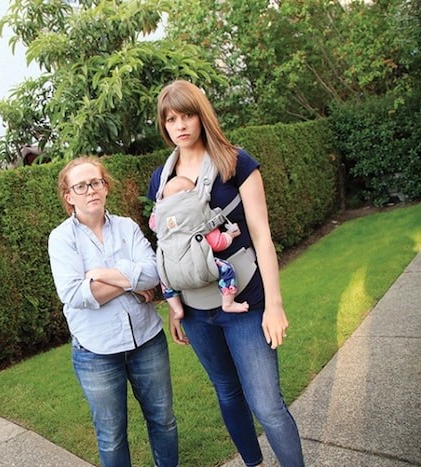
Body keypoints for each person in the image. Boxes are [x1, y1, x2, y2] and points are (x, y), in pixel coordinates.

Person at [147, 80, 304, 467]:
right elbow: (169, 248)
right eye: (171, 119)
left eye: (187, 116)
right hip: (198, 312)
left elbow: (262, 234)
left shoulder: (236, 162)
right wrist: (175, 306)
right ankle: (254, 463)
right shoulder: (160, 180)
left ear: (202, 116)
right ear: (163, 125)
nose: (180, 126)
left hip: (247, 303)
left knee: (267, 405)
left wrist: (275, 305)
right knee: (227, 393)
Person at [48, 156, 179, 467]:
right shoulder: (61, 239)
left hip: (147, 341)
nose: (90, 190)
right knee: (111, 435)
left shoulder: (127, 227)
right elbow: (73, 294)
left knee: (163, 420)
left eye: (96, 182)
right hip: (96, 352)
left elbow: (153, 273)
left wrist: (98, 273)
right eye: (80, 186)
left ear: (106, 187)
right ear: (69, 196)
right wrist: (129, 283)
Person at [150, 175, 249, 319]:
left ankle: (177, 309)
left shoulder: (158, 223)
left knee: (165, 283)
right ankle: (228, 303)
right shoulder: (198, 218)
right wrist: (230, 235)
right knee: (226, 269)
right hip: (201, 267)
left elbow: (152, 224)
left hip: (171, 273)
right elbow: (217, 243)